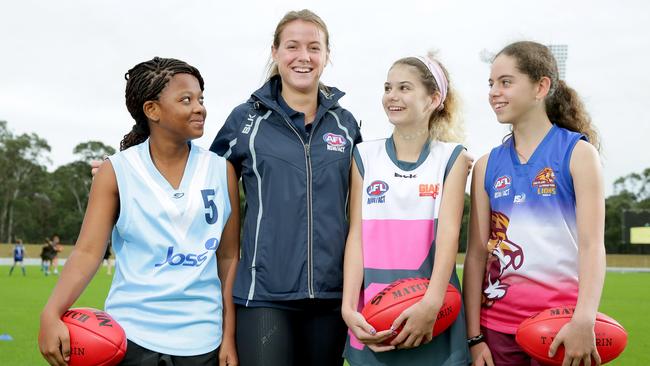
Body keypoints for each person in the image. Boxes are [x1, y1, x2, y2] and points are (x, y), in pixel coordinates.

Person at [38, 57, 240, 366]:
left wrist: (228, 335)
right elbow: (88, 252)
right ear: (152, 110)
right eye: (186, 99)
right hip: (131, 337)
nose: (199, 107)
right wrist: (51, 312)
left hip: (204, 341)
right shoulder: (116, 171)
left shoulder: (221, 170)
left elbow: (227, 257)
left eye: (201, 98)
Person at [210, 9, 362, 366]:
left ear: (326, 55)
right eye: (292, 46)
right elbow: (198, 175)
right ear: (276, 52)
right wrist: (127, 170)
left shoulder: (346, 124)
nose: (303, 57)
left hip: (331, 295)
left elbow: (370, 194)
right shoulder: (245, 120)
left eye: (314, 47)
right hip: (263, 295)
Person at [463, 41, 605, 366]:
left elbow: (592, 246)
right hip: (496, 330)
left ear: (541, 87)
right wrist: (474, 337)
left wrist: (584, 319)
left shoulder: (579, 155)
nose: (494, 92)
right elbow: (476, 256)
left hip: (562, 328)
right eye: (491, 83)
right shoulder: (487, 165)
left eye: (506, 82)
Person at [341, 54, 472, 365]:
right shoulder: (364, 156)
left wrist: (431, 304)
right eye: (388, 88)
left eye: (404, 88)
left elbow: (449, 236)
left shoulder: (452, 157)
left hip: (431, 315)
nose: (392, 97)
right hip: (373, 317)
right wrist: (348, 308)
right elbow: (356, 237)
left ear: (433, 99)